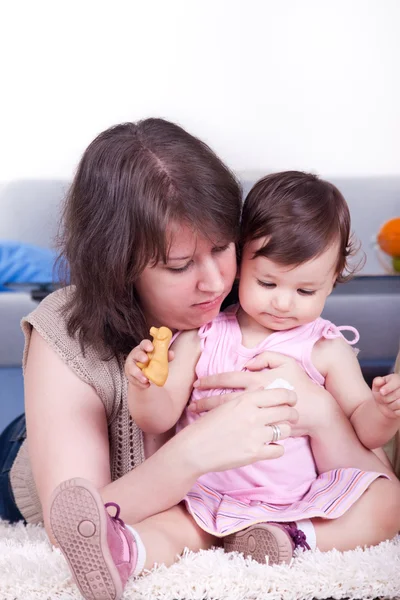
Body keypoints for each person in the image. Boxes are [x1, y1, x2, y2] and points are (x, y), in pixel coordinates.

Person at [0, 122, 398, 600]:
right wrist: (196, 451)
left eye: (221, 248)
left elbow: (370, 479)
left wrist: (322, 413)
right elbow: (77, 520)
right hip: (30, 450)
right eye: (179, 265)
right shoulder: (66, 328)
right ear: (118, 263)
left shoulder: (262, 292)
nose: (214, 283)